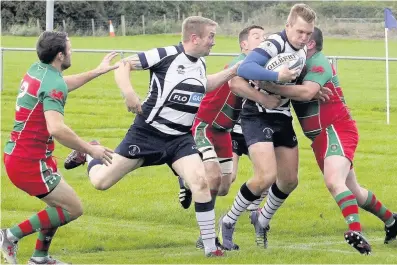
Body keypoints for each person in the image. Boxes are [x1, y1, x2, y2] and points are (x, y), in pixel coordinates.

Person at [64, 16, 241, 257]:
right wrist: (129, 93)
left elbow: (205, 85)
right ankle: (90, 151)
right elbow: (124, 65)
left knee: (200, 183)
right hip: (147, 133)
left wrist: (233, 71)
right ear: (194, 37)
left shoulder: (199, 63)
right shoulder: (166, 54)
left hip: (180, 139)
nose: (214, 42)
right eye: (211, 37)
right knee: (101, 182)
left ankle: (211, 248)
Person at [261, 26, 397, 255]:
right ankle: (392, 220)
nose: (294, 43)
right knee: (352, 190)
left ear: (311, 43)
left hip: (335, 128)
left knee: (334, 181)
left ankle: (356, 231)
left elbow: (306, 93)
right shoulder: (295, 65)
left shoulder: (319, 62)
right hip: (320, 137)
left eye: (301, 38)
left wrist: (274, 86)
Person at [1, 31, 117, 264]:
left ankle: (40, 258)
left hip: (24, 156)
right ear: (60, 55)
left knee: (59, 205)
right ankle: (9, 235)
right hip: (29, 163)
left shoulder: (38, 69)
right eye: (70, 49)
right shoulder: (53, 83)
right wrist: (89, 149)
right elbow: (57, 128)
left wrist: (96, 71)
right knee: (72, 209)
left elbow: (62, 84)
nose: (72, 52)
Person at [175, 25, 281, 250]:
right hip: (206, 125)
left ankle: (188, 180)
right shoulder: (242, 64)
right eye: (256, 37)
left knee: (224, 186)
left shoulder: (259, 66)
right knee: (212, 177)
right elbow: (239, 81)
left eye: (265, 37)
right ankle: (208, 236)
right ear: (244, 45)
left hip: (225, 130)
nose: (263, 40)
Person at [220, 3, 316, 249]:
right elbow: (245, 68)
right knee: (265, 176)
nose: (304, 38)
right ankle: (229, 221)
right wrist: (276, 77)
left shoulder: (303, 50)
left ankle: (262, 220)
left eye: (308, 33)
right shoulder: (274, 44)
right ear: (288, 27)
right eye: (299, 32)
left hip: (282, 115)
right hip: (257, 115)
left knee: (289, 181)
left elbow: (295, 81)